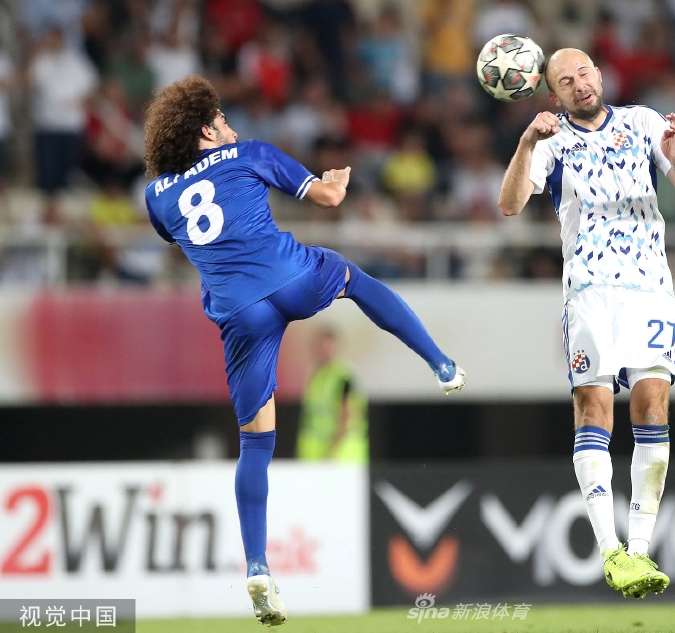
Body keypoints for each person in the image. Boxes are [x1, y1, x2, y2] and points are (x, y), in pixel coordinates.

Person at [142, 75, 465, 627]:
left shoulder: (156, 196)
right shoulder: (249, 153)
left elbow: (188, 236)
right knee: (353, 278)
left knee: (255, 443)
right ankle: (441, 362)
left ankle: (257, 566)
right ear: (206, 130)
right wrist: (335, 180)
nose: (232, 127)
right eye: (223, 119)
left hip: (240, 316)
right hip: (291, 277)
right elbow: (329, 198)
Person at [498, 48, 675, 599]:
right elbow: (510, 204)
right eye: (566, 81)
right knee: (594, 408)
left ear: (599, 74)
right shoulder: (550, 140)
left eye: (584, 73)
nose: (580, 84)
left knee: (652, 405)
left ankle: (638, 549)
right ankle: (609, 548)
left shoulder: (644, 122)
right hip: (589, 292)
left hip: (650, 288)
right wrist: (526, 143)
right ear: (554, 95)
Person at [297, 327, 368, 463]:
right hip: (315, 456)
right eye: (320, 347)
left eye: (327, 347)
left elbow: (347, 417)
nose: (323, 352)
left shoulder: (343, 376)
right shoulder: (315, 376)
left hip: (340, 457)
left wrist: (329, 453)